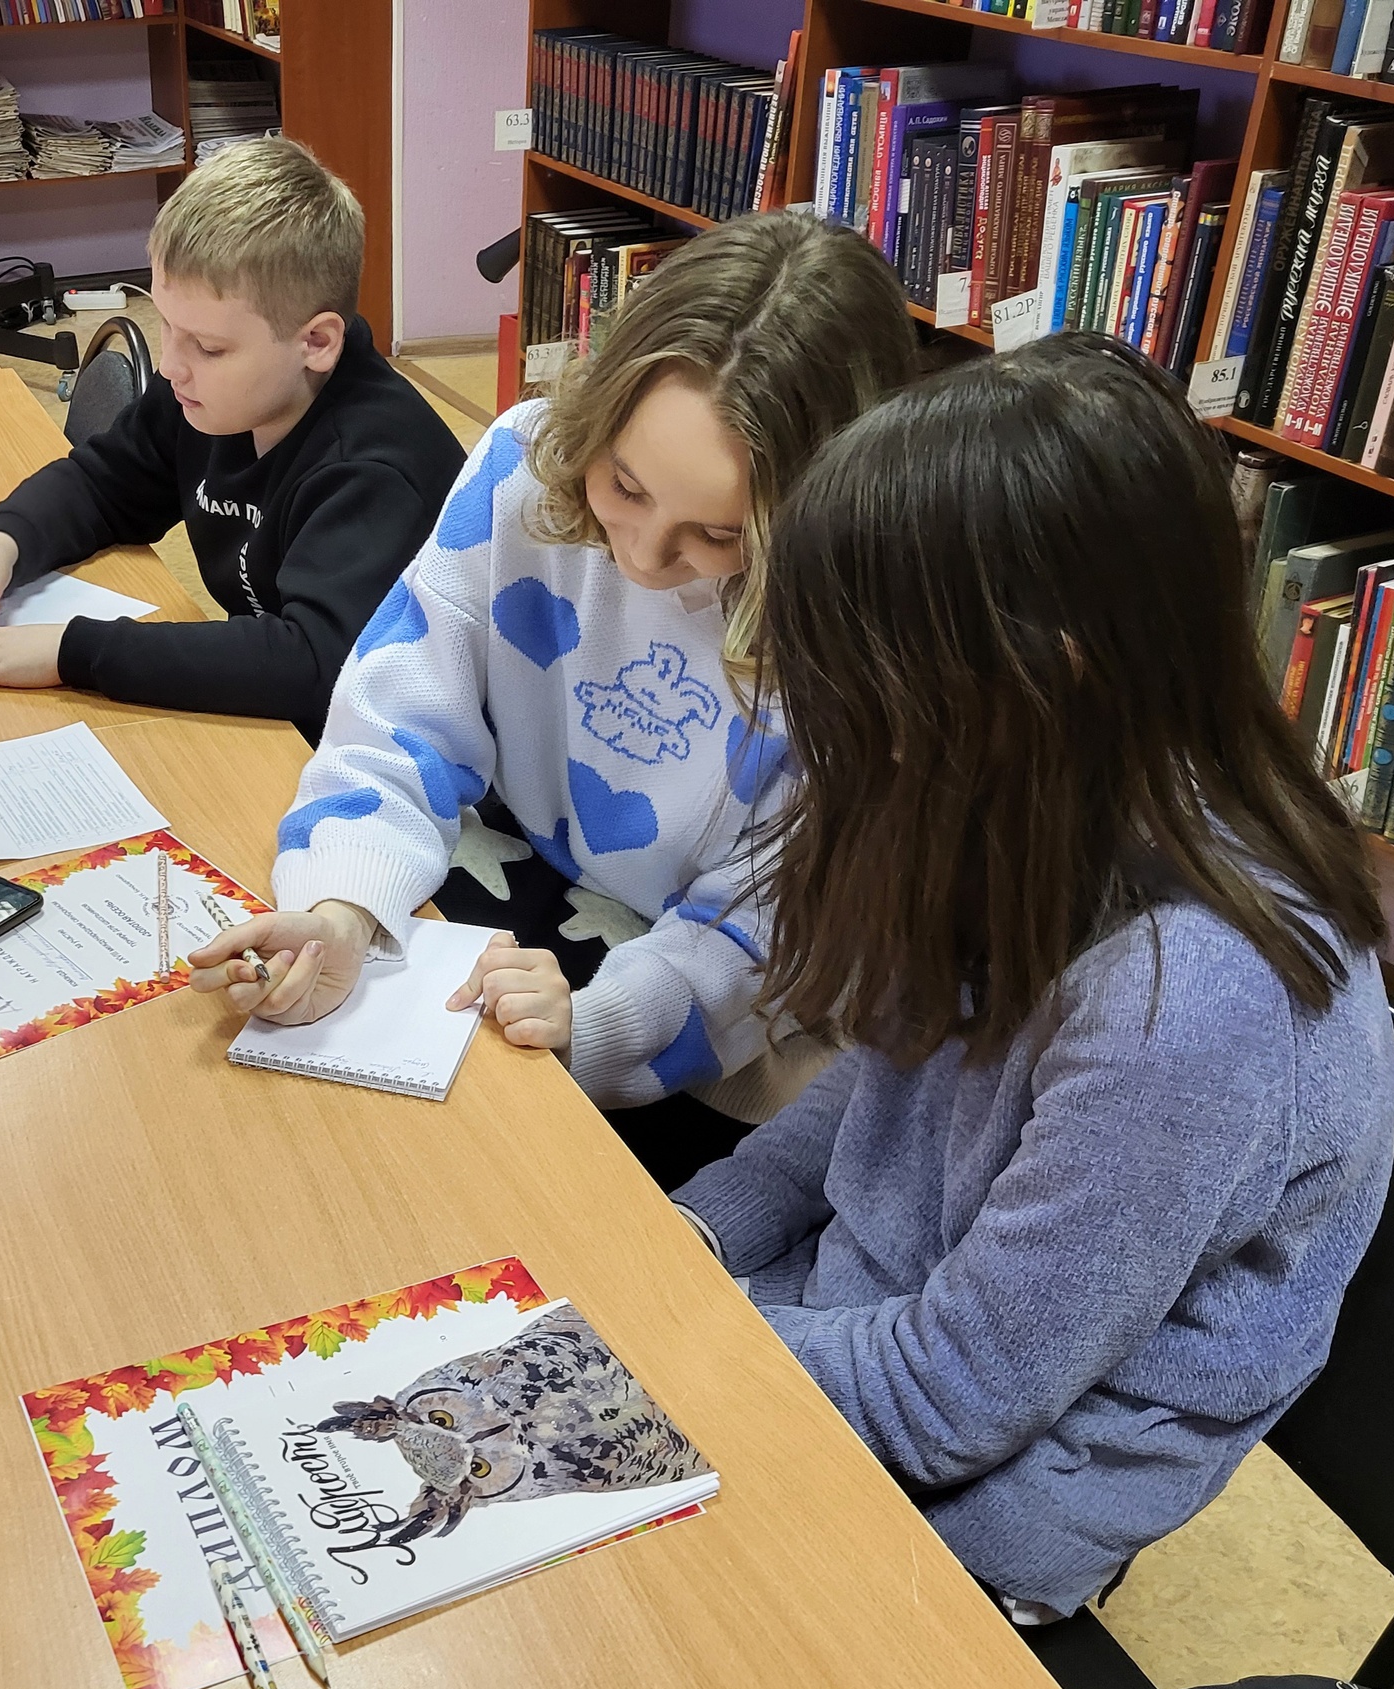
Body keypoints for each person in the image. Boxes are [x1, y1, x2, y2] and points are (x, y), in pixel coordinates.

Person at [669, 333, 1394, 1621]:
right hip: (856, 1346)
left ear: (1035, 676)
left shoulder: (1193, 1006)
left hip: (974, 1517)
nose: (831, 727)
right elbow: (880, 1086)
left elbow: (947, 1401)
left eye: (864, 687)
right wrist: (688, 1241)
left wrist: (671, 1336)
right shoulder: (1032, 797)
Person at [187, 212, 919, 1188]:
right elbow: (398, 710)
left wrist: (597, 1025)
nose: (643, 556)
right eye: (624, 485)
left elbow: (765, 930)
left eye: (717, 536)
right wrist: (343, 905)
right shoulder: (523, 462)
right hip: (543, 889)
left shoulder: (859, 630)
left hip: (717, 1018)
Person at [0, 139, 464, 739]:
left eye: (207, 346)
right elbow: (105, 484)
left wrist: (72, 653)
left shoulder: (375, 469)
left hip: (384, 746)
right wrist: (6, 541)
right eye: (167, 326)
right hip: (278, 725)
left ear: (316, 342)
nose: (172, 366)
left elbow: (310, 663)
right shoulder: (214, 394)